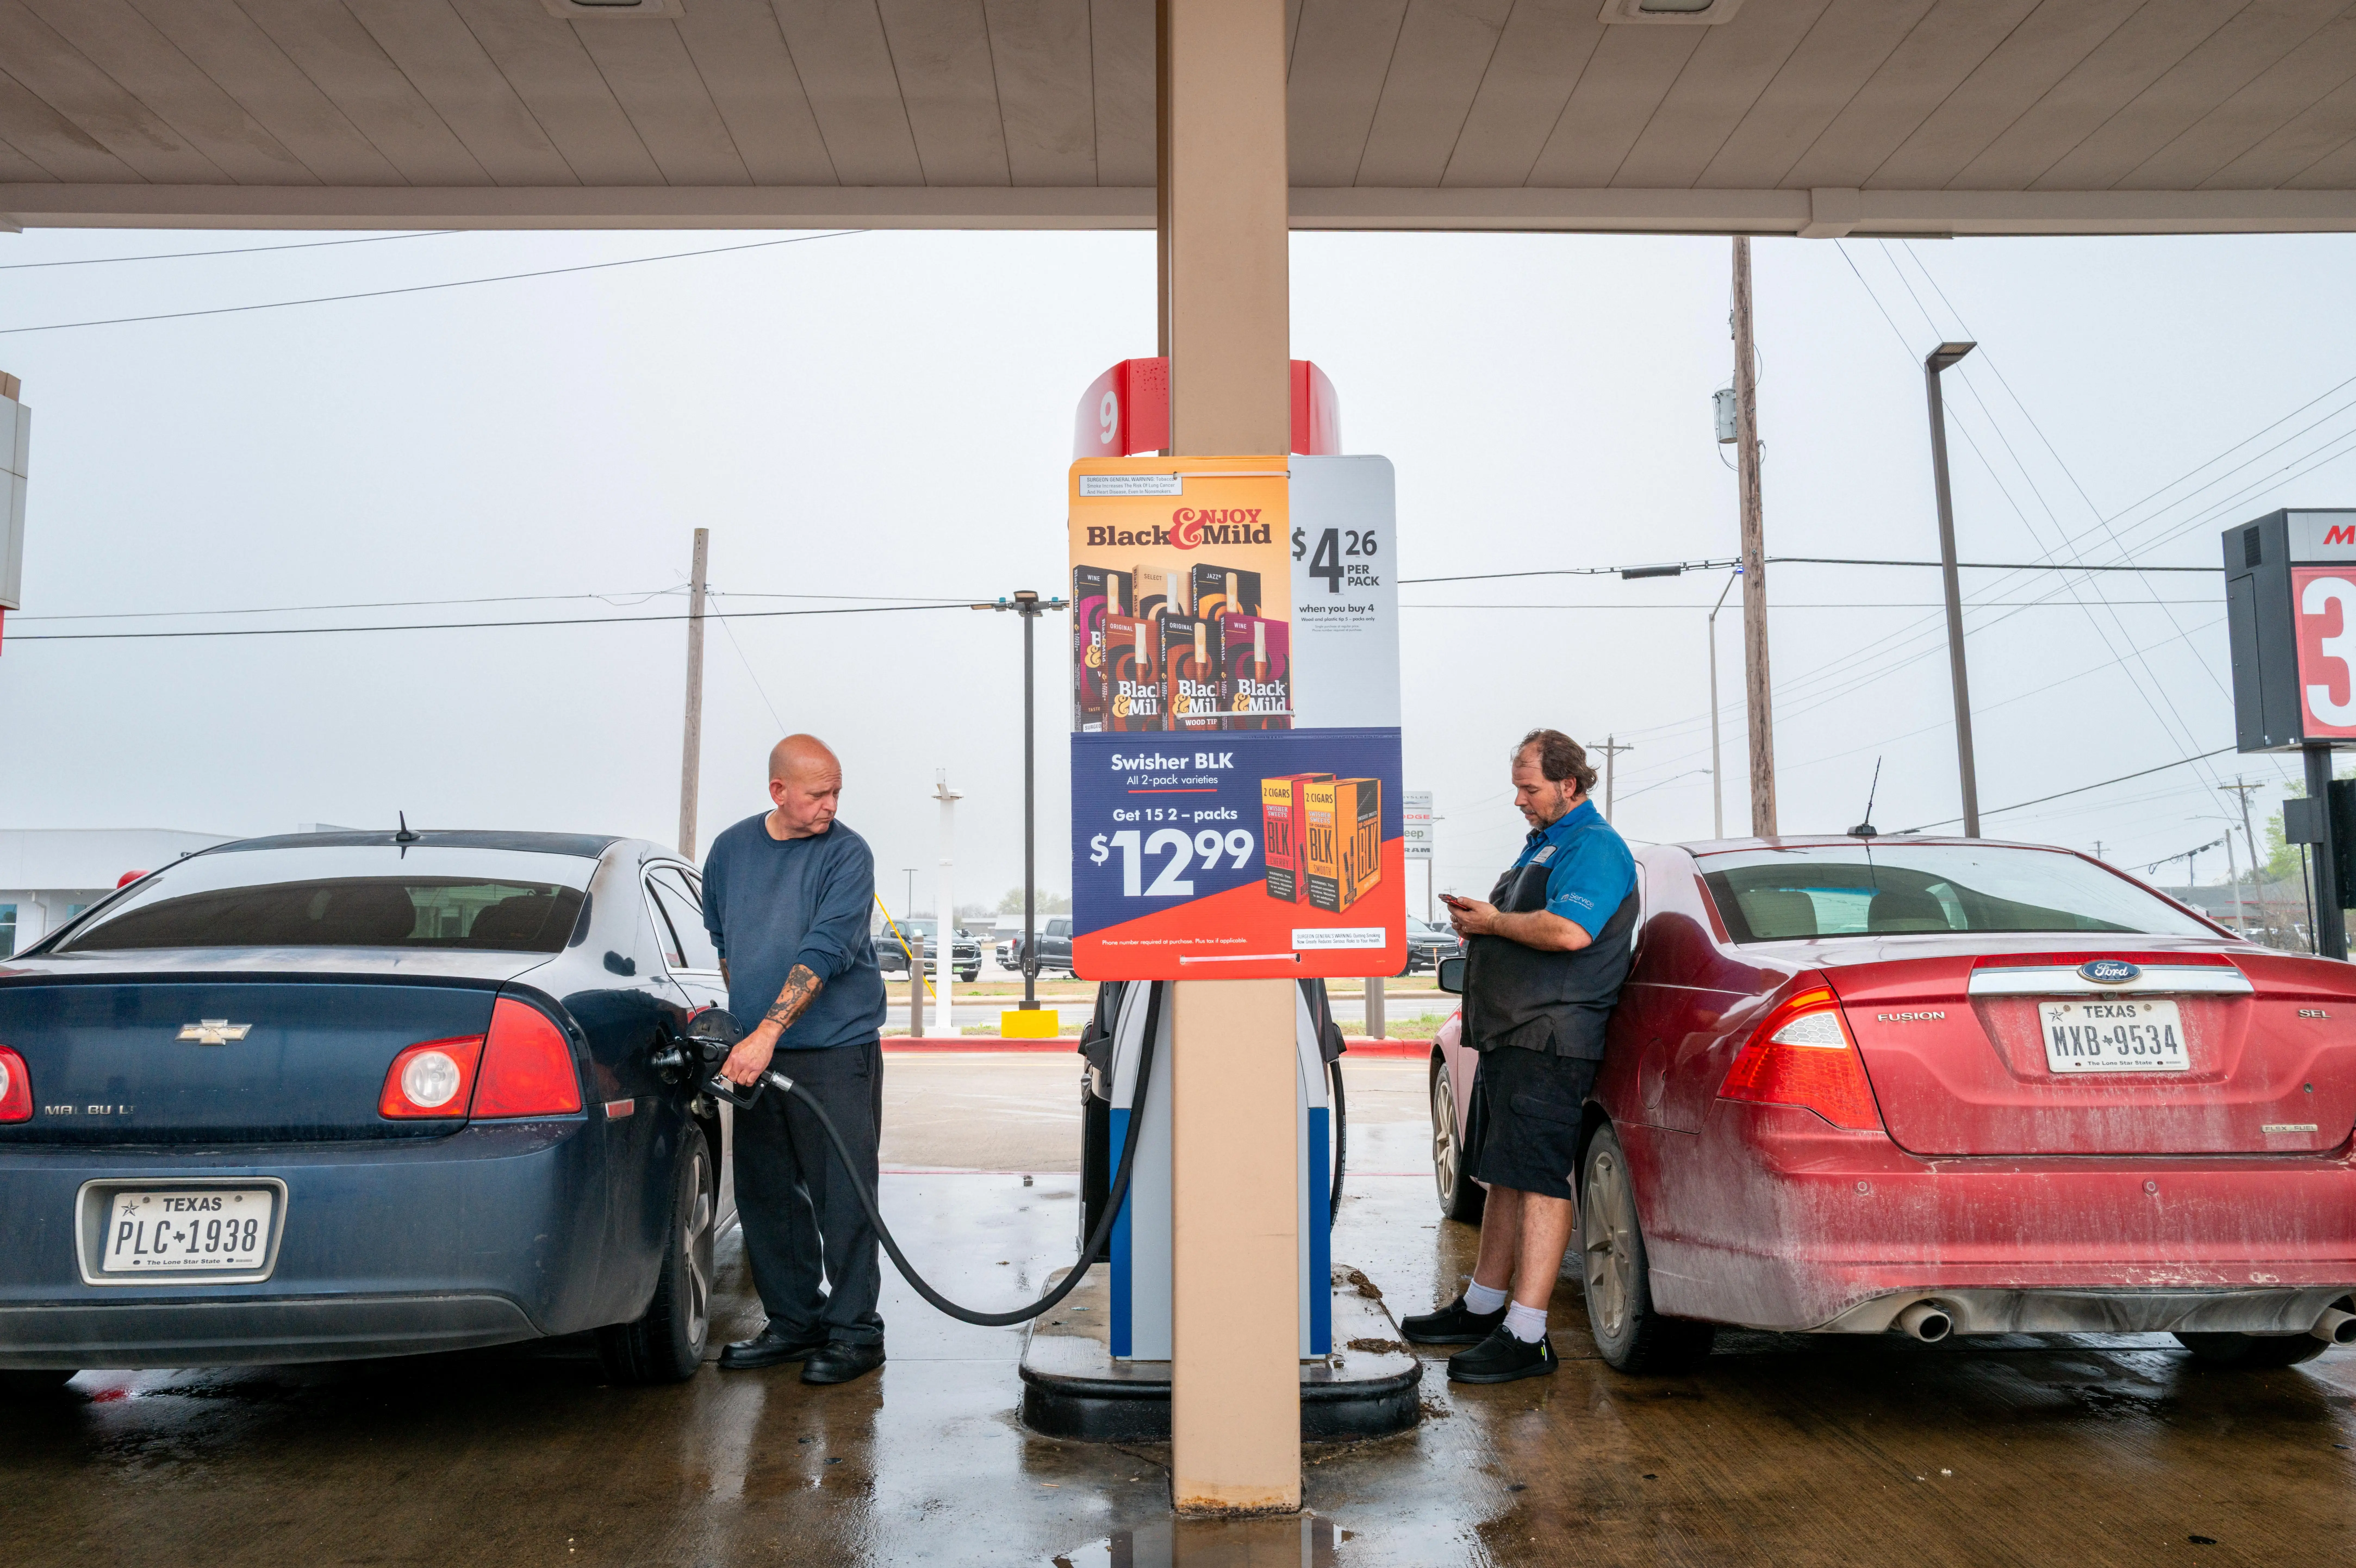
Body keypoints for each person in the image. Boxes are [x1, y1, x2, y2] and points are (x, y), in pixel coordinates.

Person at [1402, 728, 1639, 1384]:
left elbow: (1569, 930)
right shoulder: (1547, 845)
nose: (1518, 799)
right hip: (1514, 1039)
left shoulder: (1594, 847)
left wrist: (1493, 923)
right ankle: (1483, 1306)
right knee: (1503, 1173)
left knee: (1536, 1178)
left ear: (1570, 784)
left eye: (1529, 787)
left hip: (1552, 1039)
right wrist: (1482, 919)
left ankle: (1529, 1334)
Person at [702, 734, 891, 1384]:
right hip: (756, 1055)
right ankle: (793, 1322)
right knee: (767, 1194)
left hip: (835, 1053)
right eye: (818, 794)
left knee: (843, 1194)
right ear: (778, 791)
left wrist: (767, 1031)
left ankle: (854, 1331)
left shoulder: (846, 853)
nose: (830, 805)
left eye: (837, 791)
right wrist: (747, 1030)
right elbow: (725, 940)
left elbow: (826, 949)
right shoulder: (730, 851)